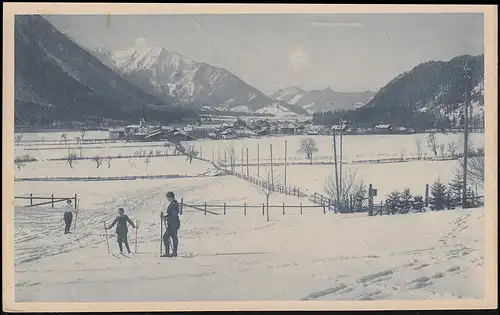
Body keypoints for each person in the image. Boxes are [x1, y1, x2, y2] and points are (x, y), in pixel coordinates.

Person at [161, 191, 181, 257]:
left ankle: (168, 252)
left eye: (168, 197)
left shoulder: (174, 204)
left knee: (166, 237)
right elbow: (171, 214)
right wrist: (165, 217)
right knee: (173, 237)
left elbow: (173, 215)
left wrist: (167, 218)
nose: (167, 199)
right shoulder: (173, 203)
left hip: (173, 224)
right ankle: (173, 252)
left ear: (170, 197)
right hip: (174, 223)